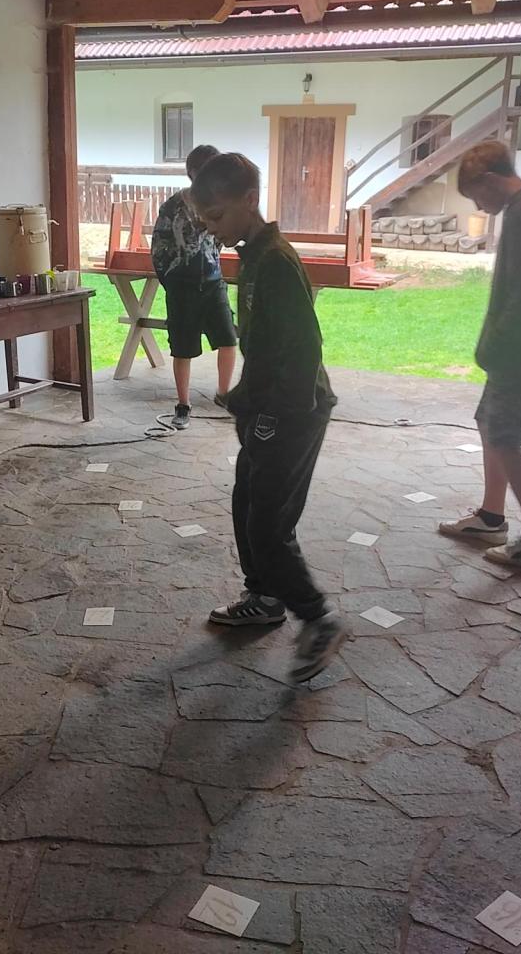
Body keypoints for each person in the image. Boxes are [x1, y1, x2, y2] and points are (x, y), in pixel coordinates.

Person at [190, 153, 344, 684]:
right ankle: (265, 597)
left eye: (216, 216)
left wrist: (274, 417)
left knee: (268, 525)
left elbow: (304, 348)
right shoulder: (251, 254)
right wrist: (245, 398)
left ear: (250, 200)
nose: (211, 229)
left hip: (296, 411)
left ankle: (319, 620)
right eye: (205, 220)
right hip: (267, 407)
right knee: (246, 501)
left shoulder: (275, 261)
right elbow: (263, 343)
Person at [437, 140, 521, 565]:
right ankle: (491, 517)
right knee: (489, 423)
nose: (479, 206)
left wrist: (496, 346)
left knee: (506, 438)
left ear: (490, 180)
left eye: (476, 196)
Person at [151, 144, 239, 430]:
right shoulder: (173, 206)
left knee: (228, 339)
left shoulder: (220, 205)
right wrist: (172, 281)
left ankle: (224, 395)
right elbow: (159, 248)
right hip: (182, 287)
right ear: (193, 173)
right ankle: (183, 404)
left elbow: (225, 239)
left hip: (213, 283)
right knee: (182, 348)